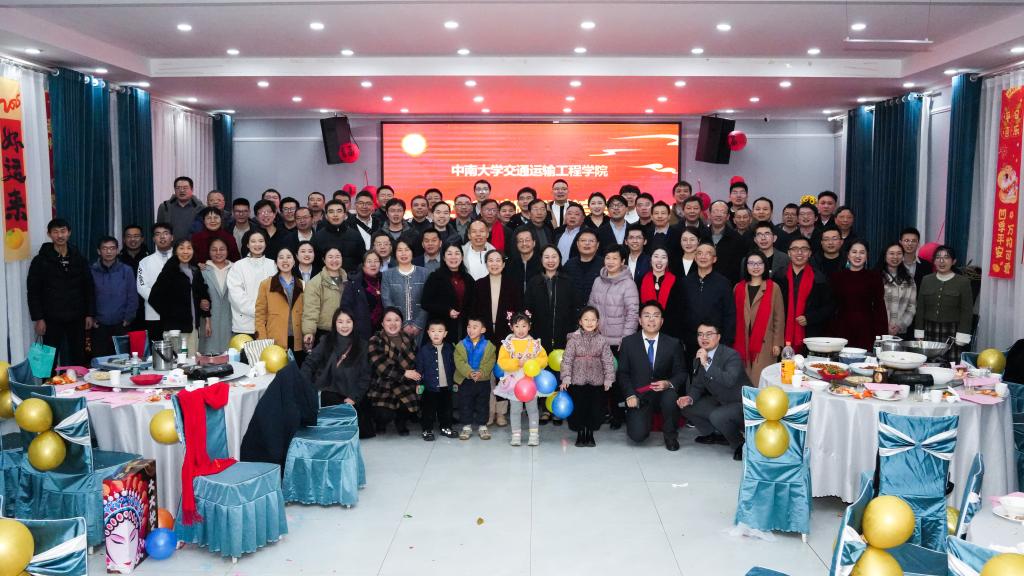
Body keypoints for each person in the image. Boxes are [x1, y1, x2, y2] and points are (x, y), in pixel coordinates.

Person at [618, 301, 686, 451]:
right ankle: (640, 421)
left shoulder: (673, 344)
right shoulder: (628, 343)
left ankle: (670, 436)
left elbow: (681, 373)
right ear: (640, 320)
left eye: (656, 316)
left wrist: (668, 383)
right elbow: (622, 373)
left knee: (671, 396)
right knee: (637, 436)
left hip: (663, 393)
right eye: (647, 316)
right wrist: (629, 394)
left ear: (662, 321)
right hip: (639, 395)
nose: (651, 319)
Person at [677, 321, 750, 461]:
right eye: (700, 334)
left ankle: (740, 444)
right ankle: (716, 434)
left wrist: (707, 364)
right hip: (720, 400)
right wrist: (689, 398)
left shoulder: (731, 355)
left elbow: (729, 380)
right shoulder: (699, 357)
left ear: (718, 337)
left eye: (709, 334)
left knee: (717, 416)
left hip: (740, 402)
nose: (704, 338)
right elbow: (697, 386)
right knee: (686, 407)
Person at [524, 245, 580, 425]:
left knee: (561, 371)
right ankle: (545, 409)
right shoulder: (534, 282)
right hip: (539, 336)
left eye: (554, 256)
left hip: (564, 335)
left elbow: (575, 308)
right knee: (543, 373)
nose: (550, 260)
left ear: (559, 259)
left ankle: (559, 407)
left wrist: (573, 332)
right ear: (541, 260)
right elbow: (527, 310)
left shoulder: (568, 281)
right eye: (546, 257)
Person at [301, 308, 373, 437]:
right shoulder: (326, 341)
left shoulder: (362, 345)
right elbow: (309, 363)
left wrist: (354, 397)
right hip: (329, 390)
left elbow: (365, 376)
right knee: (333, 423)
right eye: (340, 322)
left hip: (352, 393)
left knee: (359, 429)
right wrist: (305, 385)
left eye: (348, 321)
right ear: (334, 323)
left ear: (354, 323)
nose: (344, 326)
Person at [470, 249, 521, 426]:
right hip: (484, 336)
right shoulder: (478, 285)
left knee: (503, 374)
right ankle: (489, 412)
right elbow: (473, 312)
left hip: (505, 336)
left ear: (504, 264)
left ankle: (501, 413)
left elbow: (519, 312)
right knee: (486, 375)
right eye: (490, 260)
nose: (494, 264)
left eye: (498, 260)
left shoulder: (512, 285)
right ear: (486, 264)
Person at [560, 306, 615, 447]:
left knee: (594, 408)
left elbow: (608, 361)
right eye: (586, 319)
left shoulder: (602, 340)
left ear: (597, 322)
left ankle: (590, 433)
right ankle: (580, 433)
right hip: (577, 381)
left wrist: (608, 379)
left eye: (593, 320)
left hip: (597, 381)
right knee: (578, 408)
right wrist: (566, 378)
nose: (589, 322)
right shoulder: (573, 339)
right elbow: (567, 360)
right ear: (580, 321)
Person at [149, 239, 210, 355]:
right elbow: (154, 298)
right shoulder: (170, 269)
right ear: (175, 251)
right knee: (176, 363)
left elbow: (202, 291)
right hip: (174, 330)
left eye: (189, 248)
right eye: (181, 248)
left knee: (191, 361)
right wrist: (171, 315)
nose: (185, 252)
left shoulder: (195, 269)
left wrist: (204, 300)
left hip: (192, 327)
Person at [495, 313, 548, 447]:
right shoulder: (507, 345)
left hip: (531, 383)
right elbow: (502, 362)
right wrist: (516, 363)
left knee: (532, 409)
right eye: (517, 326)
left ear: (529, 327)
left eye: (524, 326)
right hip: (514, 383)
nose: (520, 329)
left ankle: (534, 435)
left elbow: (544, 359)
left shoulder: (535, 344)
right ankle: (516, 435)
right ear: (511, 327)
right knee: (515, 410)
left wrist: (533, 362)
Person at [775, 237, 835, 354]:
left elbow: (829, 307)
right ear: (789, 253)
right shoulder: (779, 276)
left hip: (810, 335)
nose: (799, 252)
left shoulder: (820, 278)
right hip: (781, 333)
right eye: (795, 249)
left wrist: (810, 318)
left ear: (810, 253)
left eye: (804, 249)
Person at [914, 245, 973, 362]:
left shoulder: (963, 282)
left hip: (952, 332)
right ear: (934, 261)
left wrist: (962, 334)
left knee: (950, 366)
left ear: (953, 261)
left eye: (946, 257)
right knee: (928, 365)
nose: (941, 261)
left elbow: (966, 311)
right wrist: (919, 332)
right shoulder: (926, 280)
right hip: (930, 329)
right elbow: (920, 308)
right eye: (938, 257)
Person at [366, 307, 420, 435]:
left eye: (397, 320)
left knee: (409, 402)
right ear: (382, 323)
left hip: (405, 384)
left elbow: (416, 362)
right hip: (383, 385)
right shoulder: (375, 340)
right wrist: (404, 373)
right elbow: (382, 368)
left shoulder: (409, 338)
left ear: (402, 323)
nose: (393, 323)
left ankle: (401, 421)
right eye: (388, 320)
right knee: (383, 414)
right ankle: (381, 422)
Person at [733, 252, 785, 383]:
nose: (755, 267)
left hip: (765, 341)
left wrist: (777, 343)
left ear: (765, 266)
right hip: (742, 339)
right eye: (751, 263)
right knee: (742, 378)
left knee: (760, 378)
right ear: (746, 266)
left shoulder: (773, 288)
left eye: (759, 263)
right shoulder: (738, 287)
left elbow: (779, 318)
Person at [680, 242, 736, 356]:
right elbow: (680, 312)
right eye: (699, 253)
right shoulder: (685, 282)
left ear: (714, 259)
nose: (703, 257)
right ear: (695, 258)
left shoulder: (723, 283)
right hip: (690, 342)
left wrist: (725, 343)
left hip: (716, 343)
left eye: (708, 254)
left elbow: (729, 315)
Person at [829, 241, 887, 349]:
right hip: (841, 328)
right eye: (854, 252)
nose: (858, 256)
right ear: (848, 255)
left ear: (867, 256)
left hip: (867, 329)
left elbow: (880, 307)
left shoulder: (874, 277)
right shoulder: (837, 277)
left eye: (862, 252)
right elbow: (831, 306)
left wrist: (881, 335)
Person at [89, 235, 137, 359]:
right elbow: (87, 296)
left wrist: (128, 318)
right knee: (99, 361)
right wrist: (92, 317)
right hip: (99, 324)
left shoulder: (126, 270)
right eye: (105, 248)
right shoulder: (91, 271)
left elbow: (132, 296)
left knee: (123, 360)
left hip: (121, 323)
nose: (108, 252)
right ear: (99, 251)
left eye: (112, 248)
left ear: (117, 250)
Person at [254, 247, 305, 360]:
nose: (285, 260)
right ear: (276, 262)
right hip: (274, 340)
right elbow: (260, 315)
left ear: (294, 261)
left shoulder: (302, 284)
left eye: (289, 257)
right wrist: (262, 339)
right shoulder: (266, 284)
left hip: (297, 340)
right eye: (281, 257)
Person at [226, 230, 278, 337]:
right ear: (247, 245)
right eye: (253, 241)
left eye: (261, 241)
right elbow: (236, 296)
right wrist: (259, 311)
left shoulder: (273, 265)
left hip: (269, 325)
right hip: (244, 326)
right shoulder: (238, 266)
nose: (257, 244)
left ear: (265, 243)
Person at [454, 316, 497, 440]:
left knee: (482, 403)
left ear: (483, 330)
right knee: (465, 403)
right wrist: (469, 372)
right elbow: (459, 362)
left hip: (482, 380)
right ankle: (466, 426)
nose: (470, 330)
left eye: (475, 327)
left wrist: (481, 372)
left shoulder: (489, 346)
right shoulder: (461, 345)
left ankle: (482, 426)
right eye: (469, 326)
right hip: (466, 380)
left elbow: (490, 362)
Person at [421, 243, 474, 343]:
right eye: (449, 254)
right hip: (440, 328)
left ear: (462, 257)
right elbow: (425, 303)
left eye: (457, 253)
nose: (453, 257)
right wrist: (447, 310)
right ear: (444, 258)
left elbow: (473, 303)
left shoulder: (468, 279)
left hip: (463, 328)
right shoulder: (435, 277)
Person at [381, 239, 430, 344]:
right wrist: (402, 324)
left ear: (412, 252)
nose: (403, 253)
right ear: (395, 253)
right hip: (395, 327)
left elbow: (428, 301)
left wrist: (418, 325)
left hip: (422, 327)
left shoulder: (424, 273)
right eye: (400, 250)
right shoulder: (387, 275)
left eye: (407, 250)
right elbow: (387, 301)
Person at [415, 320, 457, 441]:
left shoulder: (449, 348)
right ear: (428, 333)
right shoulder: (424, 350)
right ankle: (427, 429)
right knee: (428, 410)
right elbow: (419, 368)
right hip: (430, 387)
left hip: (446, 386)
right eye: (433, 331)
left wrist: (455, 382)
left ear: (445, 333)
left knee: (446, 409)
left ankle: (446, 427)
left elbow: (454, 367)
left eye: (440, 331)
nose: (436, 334)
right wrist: (418, 383)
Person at [301, 247, 347, 349]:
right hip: (324, 333)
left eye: (337, 257)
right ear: (324, 260)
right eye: (330, 257)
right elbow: (311, 310)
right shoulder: (315, 283)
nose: (334, 260)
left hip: (346, 331)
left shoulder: (348, 280)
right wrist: (309, 332)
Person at [136, 222, 174, 337]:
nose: (162, 237)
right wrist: (159, 302)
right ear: (153, 239)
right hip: (153, 313)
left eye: (165, 233)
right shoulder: (144, 262)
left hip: (177, 313)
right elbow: (141, 287)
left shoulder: (181, 258)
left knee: (178, 346)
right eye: (158, 234)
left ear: (172, 237)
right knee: (156, 346)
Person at [199, 238, 233, 355]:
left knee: (230, 357)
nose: (218, 253)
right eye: (214, 250)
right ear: (209, 252)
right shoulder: (203, 270)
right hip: (209, 323)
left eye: (222, 249)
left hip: (230, 323)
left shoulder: (236, 270)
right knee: (209, 357)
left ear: (227, 251)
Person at [341, 251, 384, 340]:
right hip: (360, 333)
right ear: (363, 264)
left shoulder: (384, 280)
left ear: (380, 264)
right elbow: (346, 307)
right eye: (369, 261)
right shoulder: (354, 283)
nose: (373, 264)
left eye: (376, 261)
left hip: (382, 332)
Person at [312, 199, 363, 274]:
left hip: (351, 278)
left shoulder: (355, 235)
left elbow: (361, 261)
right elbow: (315, 263)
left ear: (345, 215)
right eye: (331, 212)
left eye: (339, 211)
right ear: (326, 216)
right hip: (326, 279)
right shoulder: (318, 237)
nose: (335, 215)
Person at [880, 243, 917, 339]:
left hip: (900, 332)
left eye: (899, 253)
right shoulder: (875, 276)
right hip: (878, 330)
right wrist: (884, 326)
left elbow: (911, 307)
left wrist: (900, 325)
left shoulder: (909, 279)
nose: (895, 257)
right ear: (885, 255)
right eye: (891, 253)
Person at [156, 176, 204, 240]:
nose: (181, 190)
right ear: (174, 190)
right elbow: (159, 230)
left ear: (192, 189)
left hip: (193, 245)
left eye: (185, 188)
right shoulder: (164, 207)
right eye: (178, 188)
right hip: (170, 245)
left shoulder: (201, 208)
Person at [707, 201, 744, 285]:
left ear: (728, 217)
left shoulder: (737, 239)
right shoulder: (701, 235)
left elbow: (738, 269)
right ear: (709, 215)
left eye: (722, 212)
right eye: (715, 211)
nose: (718, 215)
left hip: (727, 285)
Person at [562, 229, 603, 303]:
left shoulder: (604, 265)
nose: (587, 243)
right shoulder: (569, 265)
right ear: (577, 244)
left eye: (591, 241)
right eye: (583, 240)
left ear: (597, 245)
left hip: (597, 308)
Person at [507, 226, 542, 293]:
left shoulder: (542, 264)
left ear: (534, 243)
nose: (524, 243)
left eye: (527, 240)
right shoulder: (510, 265)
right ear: (517, 244)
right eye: (520, 241)